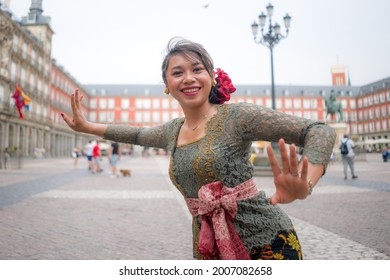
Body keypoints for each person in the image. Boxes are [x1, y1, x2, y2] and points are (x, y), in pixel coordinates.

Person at [61, 37, 336, 260]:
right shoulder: (172, 131)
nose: (188, 78)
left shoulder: (238, 117)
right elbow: (137, 133)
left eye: (197, 69)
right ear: (167, 85)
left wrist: (307, 183)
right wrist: (87, 127)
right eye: (177, 73)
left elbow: (319, 130)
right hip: (210, 249)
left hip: (268, 244)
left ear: (212, 77)